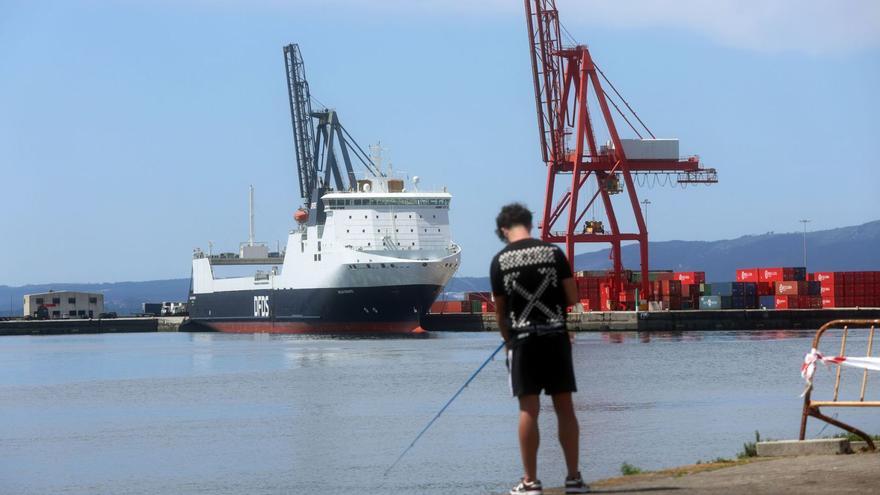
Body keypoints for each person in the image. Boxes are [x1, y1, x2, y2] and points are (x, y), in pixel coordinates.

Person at [489, 203, 589, 495]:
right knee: (564, 408)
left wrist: (508, 342)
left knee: (528, 410)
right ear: (530, 224)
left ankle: (530, 482)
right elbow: (572, 297)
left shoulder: (500, 261)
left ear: (503, 230)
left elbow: (500, 312)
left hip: (522, 342)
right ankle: (573, 479)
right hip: (555, 337)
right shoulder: (554, 254)